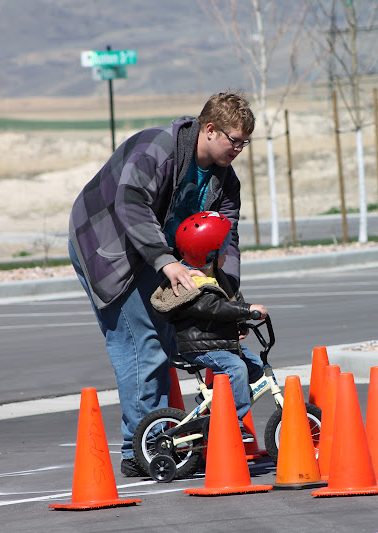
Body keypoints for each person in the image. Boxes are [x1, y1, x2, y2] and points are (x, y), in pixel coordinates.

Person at [68, 92, 254, 477]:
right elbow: (131, 203)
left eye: (244, 142)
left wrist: (227, 293)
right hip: (107, 245)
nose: (239, 149)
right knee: (142, 344)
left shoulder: (225, 181)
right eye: (233, 140)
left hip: (156, 252)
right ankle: (139, 449)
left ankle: (173, 436)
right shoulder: (158, 149)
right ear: (209, 129)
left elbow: (226, 239)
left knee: (180, 334)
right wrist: (166, 261)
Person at [150, 211, 266, 439]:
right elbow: (214, 307)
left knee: (254, 365)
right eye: (223, 250)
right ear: (209, 254)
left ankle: (211, 404)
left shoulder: (215, 275)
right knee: (236, 368)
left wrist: (239, 324)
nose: (227, 253)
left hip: (217, 342)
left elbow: (227, 303)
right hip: (199, 347)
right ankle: (233, 419)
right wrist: (247, 310)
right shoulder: (191, 284)